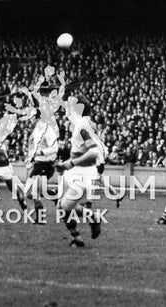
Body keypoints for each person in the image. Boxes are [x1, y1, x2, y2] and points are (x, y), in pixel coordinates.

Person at [54, 95, 102, 248]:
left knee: (66, 206)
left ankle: (93, 218)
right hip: (74, 170)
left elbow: (94, 151)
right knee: (61, 206)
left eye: (71, 104)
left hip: (82, 171)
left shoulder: (83, 126)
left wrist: (70, 162)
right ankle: (78, 238)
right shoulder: (80, 122)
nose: (67, 106)